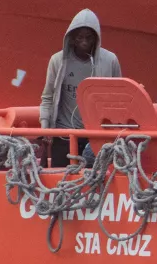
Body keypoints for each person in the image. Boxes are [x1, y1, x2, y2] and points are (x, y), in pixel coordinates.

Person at [38, 9, 122, 164]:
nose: (84, 42)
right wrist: (45, 128)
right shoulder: (57, 61)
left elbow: (118, 99)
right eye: (79, 37)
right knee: (60, 176)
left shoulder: (110, 61)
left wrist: (115, 132)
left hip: (97, 135)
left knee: (97, 176)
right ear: (71, 38)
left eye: (89, 37)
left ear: (96, 38)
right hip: (64, 134)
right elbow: (48, 97)